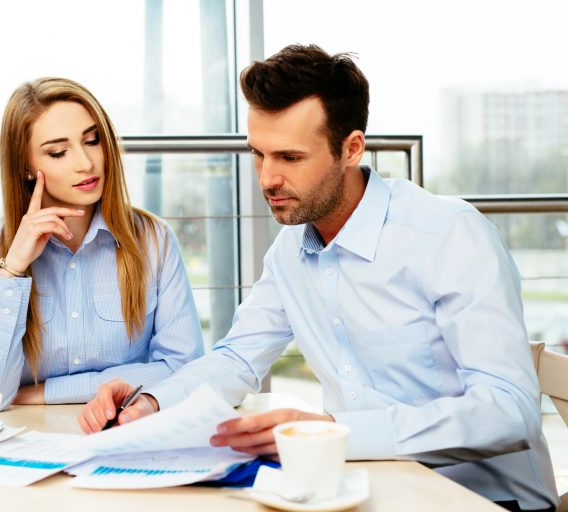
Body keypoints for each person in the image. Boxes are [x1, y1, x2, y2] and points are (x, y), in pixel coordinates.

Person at [77, 45, 558, 511]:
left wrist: (333, 430)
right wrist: (151, 403)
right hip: (363, 486)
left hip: (482, 499)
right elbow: (237, 358)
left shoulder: (449, 235)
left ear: (350, 149)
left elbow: (507, 410)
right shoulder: (292, 248)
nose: (266, 178)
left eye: (289, 157)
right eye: (258, 154)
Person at [0, 77, 204, 408]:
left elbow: (184, 368)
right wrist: (12, 271)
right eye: (58, 152)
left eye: (92, 140)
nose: (85, 163)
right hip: (25, 445)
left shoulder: (153, 240)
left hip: (124, 434)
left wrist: (46, 393)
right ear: (26, 166)